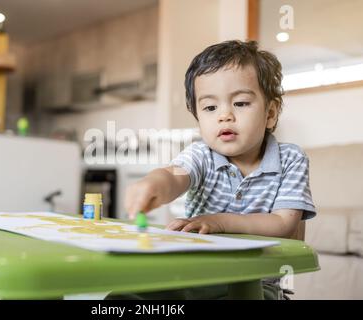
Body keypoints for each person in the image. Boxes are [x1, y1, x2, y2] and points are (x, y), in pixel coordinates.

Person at [108, 40, 316, 300]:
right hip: (197, 275)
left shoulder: (291, 159)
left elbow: (284, 223)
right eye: (210, 107)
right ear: (198, 118)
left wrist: (218, 221)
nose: (224, 115)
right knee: (122, 298)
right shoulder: (201, 155)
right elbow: (174, 176)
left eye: (240, 103)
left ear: (271, 113)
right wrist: (153, 183)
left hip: (259, 283)